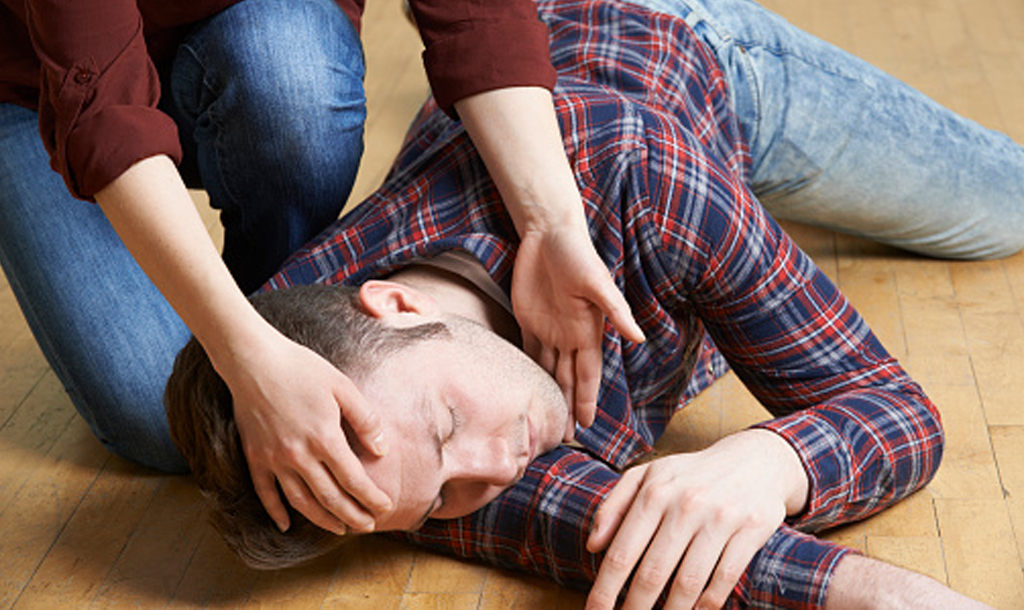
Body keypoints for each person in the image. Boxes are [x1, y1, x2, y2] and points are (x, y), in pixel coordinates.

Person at [164, 0, 1004, 605]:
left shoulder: (641, 180)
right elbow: (629, 540)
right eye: (442, 500)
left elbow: (898, 410)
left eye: (452, 426)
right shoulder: (363, 458)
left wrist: (770, 464)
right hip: (665, 181)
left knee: (1006, 204)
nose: (495, 473)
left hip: (693, 54)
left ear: (396, 305)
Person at [0, 0, 642, 538]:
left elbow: (474, 15)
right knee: (159, 410)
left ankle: (285, 332)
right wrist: (241, 354)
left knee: (293, 90)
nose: (500, 469)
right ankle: (267, 363)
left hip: (255, 27)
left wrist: (550, 223)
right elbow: (102, 109)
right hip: (31, 81)